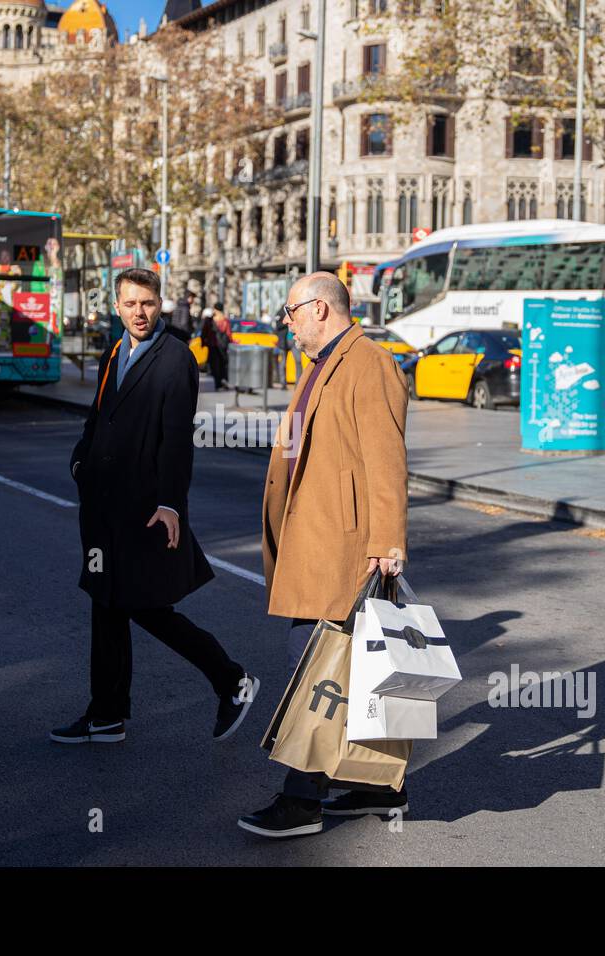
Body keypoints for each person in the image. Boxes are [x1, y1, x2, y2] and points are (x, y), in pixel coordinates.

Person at [53, 268, 258, 745]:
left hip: (144, 510)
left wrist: (170, 503)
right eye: (130, 304)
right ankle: (105, 713)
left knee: (145, 606)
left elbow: (176, 442)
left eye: (147, 303)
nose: (139, 313)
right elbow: (98, 419)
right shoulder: (112, 354)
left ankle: (232, 679)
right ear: (117, 306)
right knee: (105, 606)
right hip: (102, 508)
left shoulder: (175, 360)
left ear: (159, 304)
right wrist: (80, 461)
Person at [238, 271, 410, 839]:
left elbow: (386, 459)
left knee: (310, 670)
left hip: (344, 546)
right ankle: (375, 785)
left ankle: (301, 802)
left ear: (319, 309)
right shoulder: (320, 366)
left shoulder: (368, 362)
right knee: (355, 667)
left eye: (289, 313)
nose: (284, 324)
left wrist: (386, 543)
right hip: (313, 539)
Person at [202, 306, 228, 389]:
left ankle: (217, 382)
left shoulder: (210, 320)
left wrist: (203, 341)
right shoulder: (224, 320)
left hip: (212, 344)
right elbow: (228, 333)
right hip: (221, 345)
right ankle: (220, 381)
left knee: (214, 364)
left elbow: (204, 332)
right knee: (221, 364)